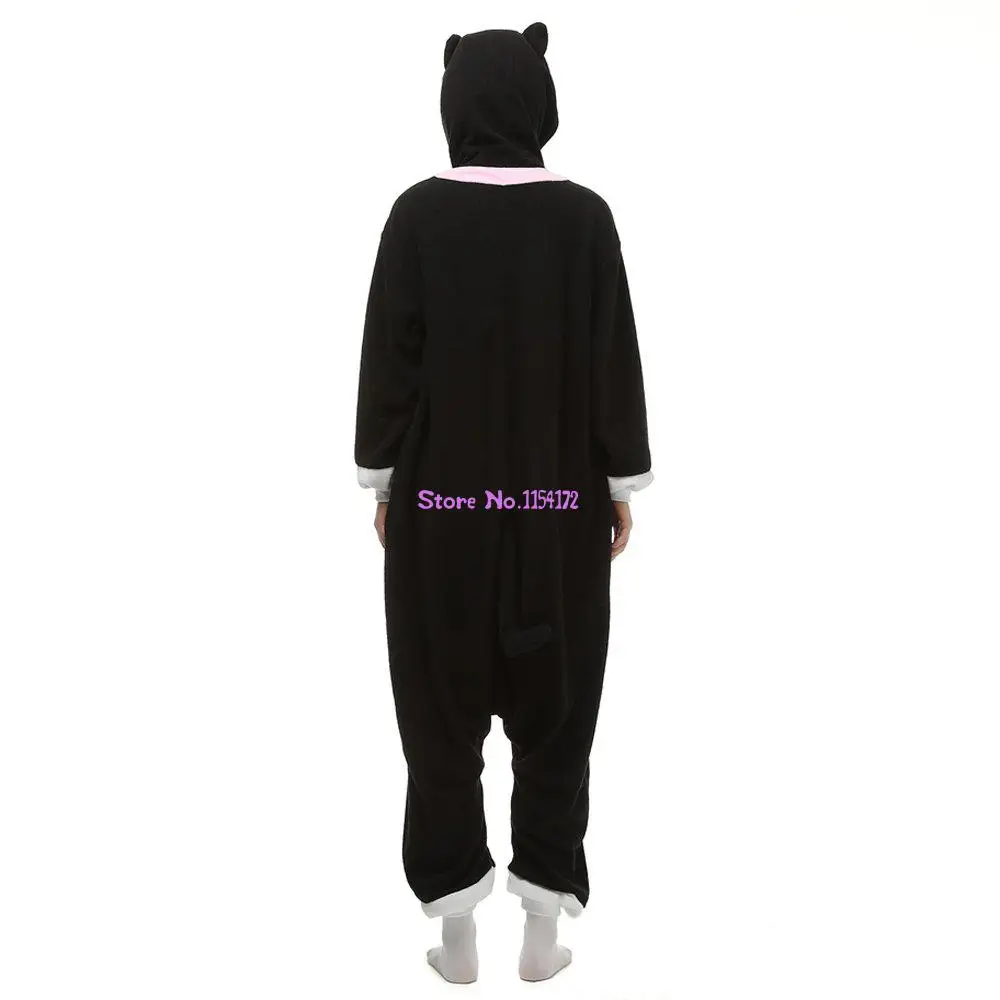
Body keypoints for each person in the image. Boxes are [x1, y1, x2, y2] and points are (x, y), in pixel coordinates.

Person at [353, 22, 653, 983]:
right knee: (558, 719)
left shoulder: (416, 216)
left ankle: (455, 938)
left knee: (437, 720)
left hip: (441, 518)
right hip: (556, 517)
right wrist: (617, 482)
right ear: (538, 100)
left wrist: (386, 480)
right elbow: (611, 361)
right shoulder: (585, 220)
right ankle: (541, 928)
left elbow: (390, 364)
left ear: (455, 100)